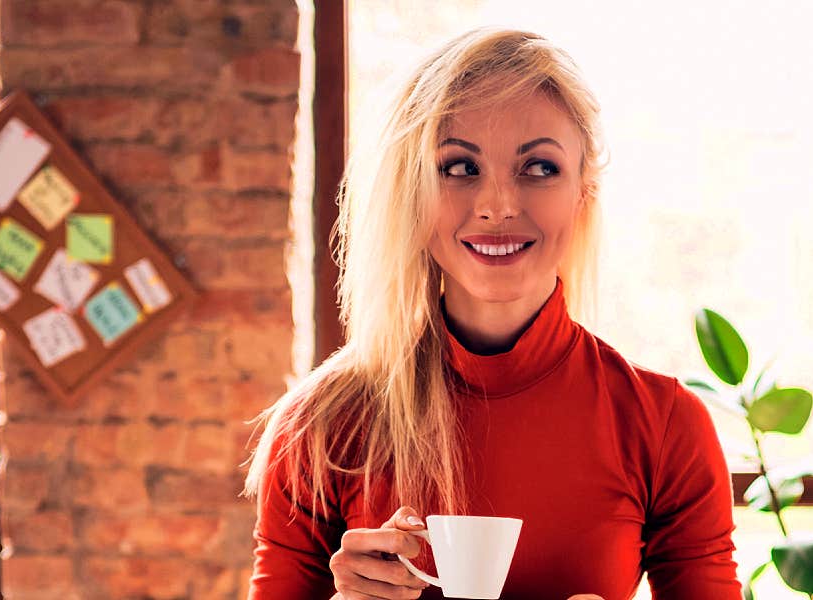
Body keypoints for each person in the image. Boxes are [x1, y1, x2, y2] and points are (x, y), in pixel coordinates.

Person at [243, 26, 741, 600]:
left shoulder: (664, 425)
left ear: (583, 190)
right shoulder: (320, 424)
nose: (498, 205)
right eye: (459, 167)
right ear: (412, 192)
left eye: (539, 168)